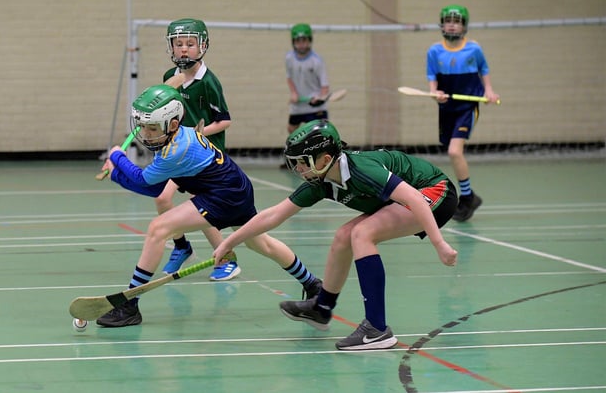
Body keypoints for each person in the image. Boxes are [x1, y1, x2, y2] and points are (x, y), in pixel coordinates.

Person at [213, 119, 459, 351]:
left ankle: (377, 330)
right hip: (415, 198)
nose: (298, 168)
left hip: (434, 192)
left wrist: (439, 243)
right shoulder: (321, 181)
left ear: (325, 159)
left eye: (302, 161)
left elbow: (415, 198)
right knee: (344, 236)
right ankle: (322, 308)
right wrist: (230, 241)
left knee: (363, 234)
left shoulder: (361, 170)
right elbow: (274, 215)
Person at [97, 84, 322, 327]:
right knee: (261, 243)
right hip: (236, 186)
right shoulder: (174, 137)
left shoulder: (175, 149)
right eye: (142, 126)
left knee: (158, 229)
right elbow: (156, 188)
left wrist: (117, 159)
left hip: (223, 195)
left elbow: (144, 182)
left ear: (172, 124)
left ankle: (130, 305)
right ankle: (313, 284)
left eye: (152, 128)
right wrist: (117, 171)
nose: (146, 133)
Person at [158, 18, 239, 281]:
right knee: (162, 199)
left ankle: (226, 258)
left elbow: (224, 120)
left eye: (190, 44)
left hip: (205, 156)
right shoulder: (170, 77)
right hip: (181, 152)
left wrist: (197, 134)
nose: (184, 49)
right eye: (179, 44)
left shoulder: (208, 82)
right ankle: (182, 247)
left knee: (202, 208)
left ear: (202, 46)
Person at [426, 4, 500, 222]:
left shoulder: (474, 49)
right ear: (442, 24)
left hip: (467, 107)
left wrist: (489, 91)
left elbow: (483, 70)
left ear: (464, 25)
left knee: (454, 152)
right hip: (446, 107)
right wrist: (434, 93)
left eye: (456, 21)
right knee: (450, 150)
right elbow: (432, 78)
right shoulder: (434, 51)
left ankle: (466, 198)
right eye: (448, 20)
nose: (452, 24)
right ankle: (469, 196)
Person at [281, 23, 329, 168]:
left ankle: (322, 163)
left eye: (304, 41)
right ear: (293, 42)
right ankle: (293, 160)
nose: (301, 44)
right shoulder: (289, 58)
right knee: (292, 130)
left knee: (320, 135)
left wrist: (320, 97)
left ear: (309, 41)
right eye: (298, 41)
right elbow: (289, 78)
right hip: (298, 105)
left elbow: (325, 87)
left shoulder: (317, 61)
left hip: (315, 106)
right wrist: (294, 93)